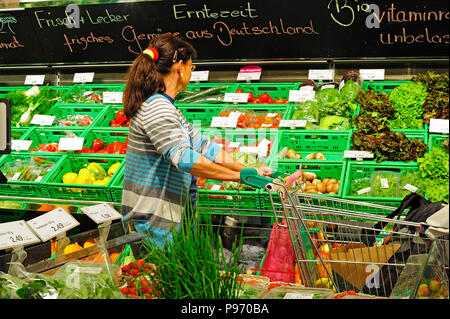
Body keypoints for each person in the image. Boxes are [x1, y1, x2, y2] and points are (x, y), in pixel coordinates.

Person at [121, 33, 272, 247]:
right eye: (191, 67)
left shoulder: (167, 106)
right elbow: (185, 159)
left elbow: (204, 146)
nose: (191, 72)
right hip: (155, 224)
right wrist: (238, 177)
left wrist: (249, 170)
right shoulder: (157, 108)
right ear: (179, 67)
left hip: (169, 218)